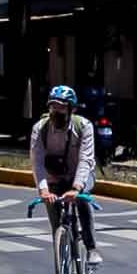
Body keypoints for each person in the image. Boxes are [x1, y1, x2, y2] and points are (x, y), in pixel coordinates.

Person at [30, 84, 102, 264]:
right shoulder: (40, 128)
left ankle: (92, 248)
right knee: (55, 219)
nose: (57, 111)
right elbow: (37, 161)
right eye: (53, 106)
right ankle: (62, 256)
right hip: (54, 177)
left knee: (82, 200)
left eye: (62, 107)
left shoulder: (84, 126)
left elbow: (86, 159)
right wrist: (43, 191)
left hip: (81, 176)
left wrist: (77, 188)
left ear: (72, 109)